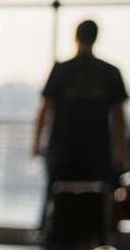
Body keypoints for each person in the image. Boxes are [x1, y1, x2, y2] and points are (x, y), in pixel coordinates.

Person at [33, 19, 127, 186]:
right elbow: (119, 116)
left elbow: (45, 109)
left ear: (75, 37)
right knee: (95, 204)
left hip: (62, 150)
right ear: (95, 38)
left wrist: (36, 143)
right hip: (97, 151)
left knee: (58, 202)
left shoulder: (61, 70)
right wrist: (120, 151)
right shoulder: (110, 72)